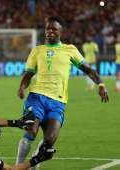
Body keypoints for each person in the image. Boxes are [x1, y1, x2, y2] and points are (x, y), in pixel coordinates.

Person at [15, 16, 109, 170]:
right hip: (36, 97)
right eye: (47, 28)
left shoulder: (70, 49)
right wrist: (21, 88)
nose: (50, 31)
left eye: (53, 28)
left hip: (57, 101)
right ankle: (18, 165)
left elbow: (88, 69)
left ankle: (35, 159)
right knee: (31, 129)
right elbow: (28, 74)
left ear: (61, 32)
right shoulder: (37, 50)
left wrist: (100, 83)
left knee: (50, 140)